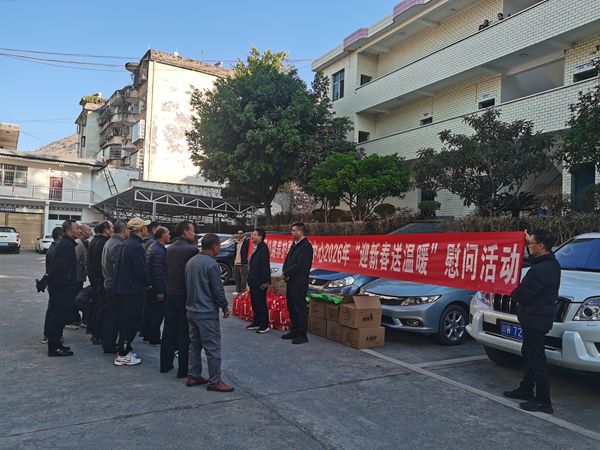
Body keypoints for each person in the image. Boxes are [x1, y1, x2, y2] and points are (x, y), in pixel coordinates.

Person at [504, 229, 560, 414]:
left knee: (536, 359)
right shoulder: (551, 263)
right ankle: (526, 388)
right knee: (528, 353)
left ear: (541, 246)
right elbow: (534, 258)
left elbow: (522, 295)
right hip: (536, 318)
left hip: (536, 319)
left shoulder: (540, 270)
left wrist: (512, 292)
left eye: (530, 244)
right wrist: (528, 238)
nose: (528, 247)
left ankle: (544, 401)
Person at [185, 233, 234, 392]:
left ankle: (193, 375)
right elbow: (217, 290)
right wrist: (224, 307)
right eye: (219, 245)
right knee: (212, 348)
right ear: (214, 247)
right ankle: (215, 381)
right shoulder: (212, 265)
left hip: (191, 310)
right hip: (206, 312)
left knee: (194, 345)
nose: (219, 248)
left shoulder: (191, 262)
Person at [161, 220, 199, 377]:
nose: (194, 234)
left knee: (169, 329)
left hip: (170, 293)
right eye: (192, 230)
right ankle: (183, 369)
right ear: (185, 232)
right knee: (184, 332)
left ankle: (165, 364)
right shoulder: (192, 250)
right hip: (184, 294)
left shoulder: (168, 249)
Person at [113, 218, 151, 366]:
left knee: (126, 321)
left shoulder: (127, 244)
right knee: (130, 323)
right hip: (132, 290)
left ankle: (125, 349)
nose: (147, 229)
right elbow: (140, 270)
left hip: (124, 288)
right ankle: (123, 354)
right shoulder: (135, 247)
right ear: (140, 230)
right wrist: (148, 283)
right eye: (145, 227)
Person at [44, 220, 80, 356]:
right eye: (77, 228)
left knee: (60, 317)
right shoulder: (66, 245)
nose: (79, 230)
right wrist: (46, 280)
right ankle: (54, 348)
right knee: (57, 318)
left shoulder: (67, 244)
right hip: (61, 288)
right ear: (69, 230)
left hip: (63, 287)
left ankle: (58, 344)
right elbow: (58, 267)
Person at [282, 223, 314, 345]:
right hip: (290, 281)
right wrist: (285, 271)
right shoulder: (294, 245)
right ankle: (294, 330)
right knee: (291, 307)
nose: (292, 232)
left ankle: (302, 334)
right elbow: (288, 260)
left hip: (299, 282)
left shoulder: (306, 247)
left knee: (300, 308)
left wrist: (288, 272)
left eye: (294, 230)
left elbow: (300, 265)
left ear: (300, 232)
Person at [101, 220, 128, 355]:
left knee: (111, 316)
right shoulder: (118, 244)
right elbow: (118, 268)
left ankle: (108, 342)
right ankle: (109, 344)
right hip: (114, 285)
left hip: (109, 283)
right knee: (113, 317)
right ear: (124, 231)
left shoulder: (110, 242)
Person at [87, 221, 113, 344]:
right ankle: (97, 334)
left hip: (94, 279)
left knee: (96, 304)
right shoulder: (104, 243)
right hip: (101, 279)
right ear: (105, 230)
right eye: (111, 228)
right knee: (101, 307)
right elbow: (103, 264)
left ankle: (92, 329)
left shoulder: (94, 241)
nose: (112, 230)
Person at [143, 226, 170, 345]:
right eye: (168, 233)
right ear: (162, 235)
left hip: (150, 286)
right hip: (155, 287)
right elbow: (158, 272)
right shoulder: (158, 250)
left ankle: (147, 334)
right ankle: (154, 337)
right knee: (157, 313)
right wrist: (160, 290)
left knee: (150, 311)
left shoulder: (154, 247)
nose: (169, 235)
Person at [41, 226, 64, 345]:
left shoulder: (53, 248)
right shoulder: (56, 250)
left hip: (53, 283)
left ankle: (49, 334)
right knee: (54, 311)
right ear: (60, 237)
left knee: (52, 310)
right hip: (56, 284)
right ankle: (50, 335)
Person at [246, 228, 271, 333]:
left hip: (260, 281)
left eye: (255, 234)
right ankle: (257, 322)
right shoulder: (256, 247)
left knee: (261, 303)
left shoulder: (263, 248)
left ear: (260, 237)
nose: (253, 236)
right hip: (253, 280)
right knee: (255, 302)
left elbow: (265, 266)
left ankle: (264, 325)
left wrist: (266, 281)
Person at [67, 223, 92, 329]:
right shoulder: (78, 244)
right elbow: (75, 261)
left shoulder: (85, 243)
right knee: (75, 298)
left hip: (80, 276)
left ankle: (78, 319)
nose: (90, 232)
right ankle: (73, 320)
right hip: (76, 277)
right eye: (89, 230)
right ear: (82, 231)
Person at [233, 229, 250, 294]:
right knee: (237, 278)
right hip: (236, 262)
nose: (239, 235)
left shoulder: (246, 242)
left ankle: (243, 292)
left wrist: (246, 260)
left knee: (244, 279)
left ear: (243, 234)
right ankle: (238, 290)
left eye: (241, 233)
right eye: (238, 233)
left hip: (243, 262)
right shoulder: (236, 242)